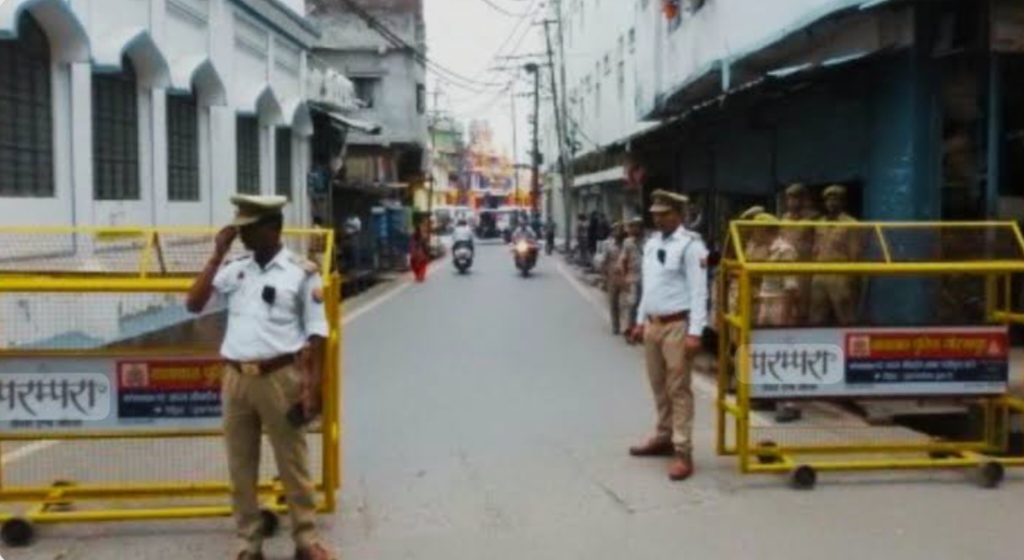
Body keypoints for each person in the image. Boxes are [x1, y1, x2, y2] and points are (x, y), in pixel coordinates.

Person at [186, 195, 336, 560]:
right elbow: (193, 303)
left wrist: (313, 389)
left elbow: (317, 334)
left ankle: (306, 540)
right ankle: (248, 543)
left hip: (280, 377)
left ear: (273, 228)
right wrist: (216, 255)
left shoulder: (302, 273)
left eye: (249, 228)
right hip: (236, 379)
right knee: (240, 467)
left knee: (293, 463)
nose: (241, 235)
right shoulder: (235, 269)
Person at [627, 190, 709, 482]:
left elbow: (699, 291)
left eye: (664, 214)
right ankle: (664, 436)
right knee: (659, 385)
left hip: (677, 325)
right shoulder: (651, 244)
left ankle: (683, 450)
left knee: (679, 389)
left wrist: (695, 332)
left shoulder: (691, 246)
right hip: (653, 325)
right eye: (655, 214)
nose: (658, 219)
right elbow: (649, 286)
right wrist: (639, 321)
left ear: (679, 214)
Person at [751, 213, 803, 422]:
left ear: (766, 230)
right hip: (767, 303)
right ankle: (769, 395)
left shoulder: (785, 250)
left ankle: (790, 403)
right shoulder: (768, 250)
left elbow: (790, 286)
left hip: (780, 304)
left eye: (756, 229)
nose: (754, 234)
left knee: (784, 354)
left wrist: (786, 315)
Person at [809, 185, 861, 325]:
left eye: (835, 199)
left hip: (840, 273)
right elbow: (815, 248)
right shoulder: (819, 223)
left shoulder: (851, 223)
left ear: (843, 202)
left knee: (845, 315)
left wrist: (852, 279)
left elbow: (855, 253)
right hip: (820, 272)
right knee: (816, 316)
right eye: (828, 200)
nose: (831, 203)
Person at [779, 183, 819, 324]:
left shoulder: (813, 218)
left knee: (803, 307)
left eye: (796, 197)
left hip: (804, 268)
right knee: (786, 307)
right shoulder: (784, 218)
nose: (792, 201)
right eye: (789, 198)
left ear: (803, 199)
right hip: (786, 268)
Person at [618, 217, 645, 338]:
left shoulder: (648, 241)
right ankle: (629, 328)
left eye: (636, 226)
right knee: (632, 303)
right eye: (632, 226)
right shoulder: (627, 242)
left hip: (646, 278)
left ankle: (641, 328)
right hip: (632, 277)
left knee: (644, 303)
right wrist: (623, 277)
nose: (634, 229)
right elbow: (622, 260)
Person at [604, 222, 627, 335]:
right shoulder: (609, 246)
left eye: (620, 230)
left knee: (627, 304)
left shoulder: (628, 245)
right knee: (613, 303)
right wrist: (604, 277)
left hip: (626, 278)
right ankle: (615, 326)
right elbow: (605, 261)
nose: (618, 232)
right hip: (612, 277)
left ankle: (628, 326)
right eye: (615, 230)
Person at [410, 218, 431, 283]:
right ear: (420, 230)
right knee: (423, 265)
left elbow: (411, 245)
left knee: (414, 265)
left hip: (414, 254)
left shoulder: (412, 236)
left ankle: (417, 275)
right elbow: (425, 247)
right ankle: (421, 275)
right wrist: (427, 254)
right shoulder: (423, 237)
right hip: (421, 255)